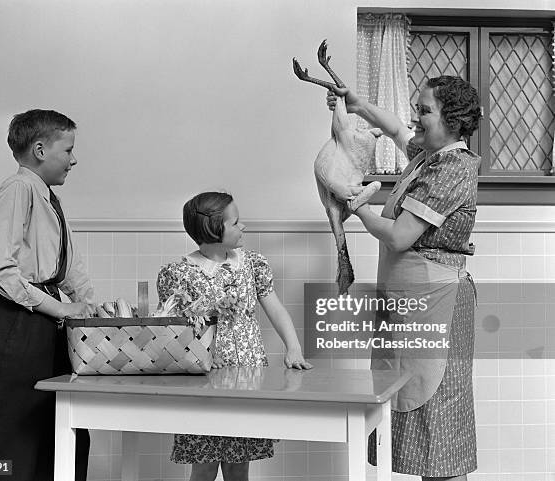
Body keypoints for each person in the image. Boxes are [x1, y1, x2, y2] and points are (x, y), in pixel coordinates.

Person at [327, 75, 481, 481]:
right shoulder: (429, 156)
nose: (417, 118)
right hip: (412, 304)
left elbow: (398, 236)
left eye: (425, 111)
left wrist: (357, 206)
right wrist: (357, 105)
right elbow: (395, 129)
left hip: (437, 306)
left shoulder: (452, 167)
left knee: (439, 424)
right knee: (415, 416)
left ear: (452, 119)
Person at [0, 109, 96, 481]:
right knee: (14, 436)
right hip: (13, 322)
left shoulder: (47, 198)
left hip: (40, 321)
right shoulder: (18, 190)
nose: (74, 160)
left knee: (61, 427)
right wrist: (62, 309)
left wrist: (88, 306)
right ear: (40, 149)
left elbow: (68, 265)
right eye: (68, 150)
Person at [157, 191, 313, 481]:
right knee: (203, 466)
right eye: (236, 223)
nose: (244, 227)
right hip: (205, 383)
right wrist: (200, 354)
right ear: (213, 229)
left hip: (249, 378)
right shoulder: (179, 273)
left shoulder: (252, 263)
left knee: (239, 466)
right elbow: (173, 329)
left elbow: (275, 309)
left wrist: (294, 348)